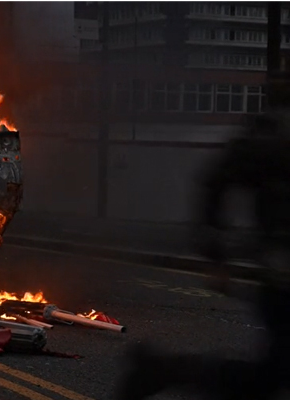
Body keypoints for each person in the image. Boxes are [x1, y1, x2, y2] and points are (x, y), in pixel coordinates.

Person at [115, 113, 290, 400]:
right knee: (274, 375)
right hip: (283, 277)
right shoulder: (271, 143)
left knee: (272, 377)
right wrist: (216, 253)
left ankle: (165, 369)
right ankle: (164, 370)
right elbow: (218, 180)